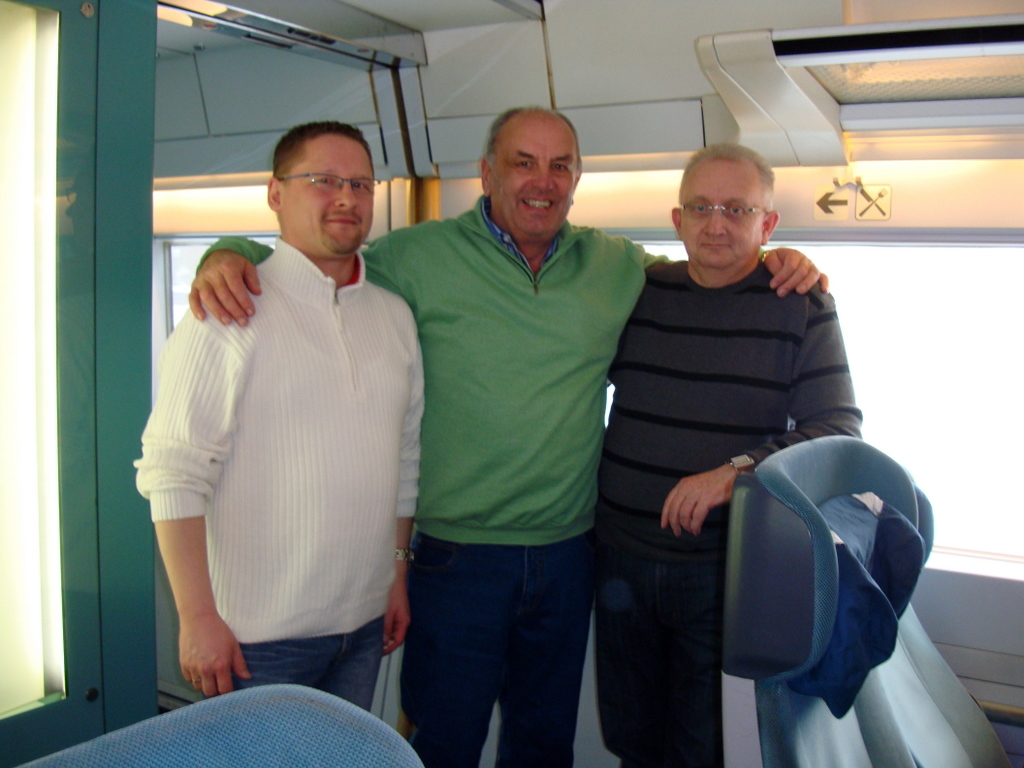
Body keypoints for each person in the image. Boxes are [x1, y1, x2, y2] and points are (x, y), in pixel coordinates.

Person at [188, 108, 823, 768]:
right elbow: (321, 258)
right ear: (487, 173)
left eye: (560, 166)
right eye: (523, 163)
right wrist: (229, 252)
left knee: (543, 747)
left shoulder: (616, 265)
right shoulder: (418, 256)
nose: (542, 181)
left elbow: (711, 268)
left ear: (576, 180)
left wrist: (776, 260)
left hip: (569, 554)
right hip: (457, 560)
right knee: (444, 742)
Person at [135, 121, 424, 711]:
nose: (346, 198)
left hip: (364, 626)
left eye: (360, 184)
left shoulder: (394, 316)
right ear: (275, 193)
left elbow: (404, 461)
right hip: (256, 638)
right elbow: (172, 472)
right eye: (323, 180)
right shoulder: (227, 310)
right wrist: (197, 617)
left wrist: (396, 575)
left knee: (342, 757)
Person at [594, 143, 863, 767]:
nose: (716, 224)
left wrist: (735, 473)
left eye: (737, 209)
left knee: (704, 749)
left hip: (726, 570)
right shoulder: (637, 292)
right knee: (631, 742)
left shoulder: (800, 303)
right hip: (619, 558)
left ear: (768, 224)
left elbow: (837, 431)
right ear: (677, 220)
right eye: (701, 207)